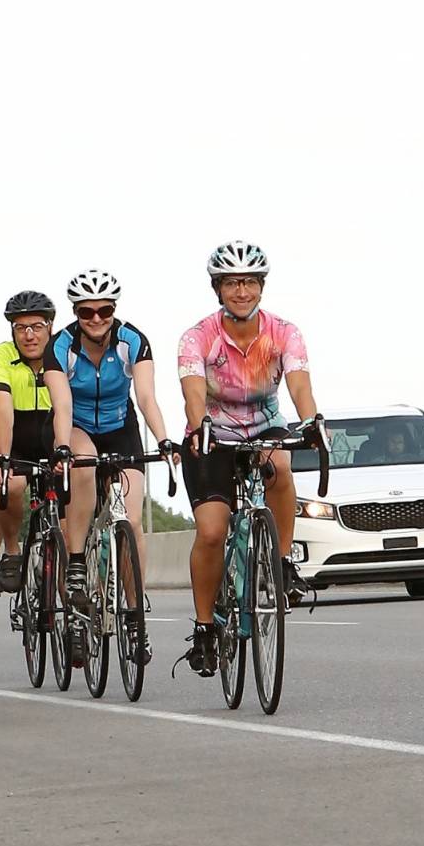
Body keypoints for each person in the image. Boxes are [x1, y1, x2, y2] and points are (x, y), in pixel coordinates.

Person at [176, 241, 322, 678]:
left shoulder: (284, 332)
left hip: (264, 426)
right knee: (212, 529)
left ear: (261, 287)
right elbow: (193, 392)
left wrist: (312, 419)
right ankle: (204, 627)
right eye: (232, 283)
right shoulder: (197, 337)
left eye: (250, 282)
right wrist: (199, 423)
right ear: (217, 289)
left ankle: (280, 562)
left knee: (278, 465)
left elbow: (298, 384)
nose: (241, 291)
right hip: (212, 432)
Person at [53, 268, 174, 610]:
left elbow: (147, 397)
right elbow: (61, 404)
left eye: (104, 310)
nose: (96, 318)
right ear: (75, 312)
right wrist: (62, 448)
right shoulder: (61, 345)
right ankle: (76, 562)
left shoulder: (133, 340)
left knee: (132, 520)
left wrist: (164, 440)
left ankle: (136, 612)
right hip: (75, 426)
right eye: (86, 312)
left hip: (121, 427)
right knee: (84, 463)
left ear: (114, 310)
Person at [0, 291, 73, 593]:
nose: (29, 335)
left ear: (50, 326)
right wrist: (3, 458)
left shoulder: (64, 353)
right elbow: (2, 410)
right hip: (14, 432)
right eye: (21, 328)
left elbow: (65, 408)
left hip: (52, 432)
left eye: (36, 326)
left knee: (70, 501)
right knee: (11, 484)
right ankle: (12, 550)